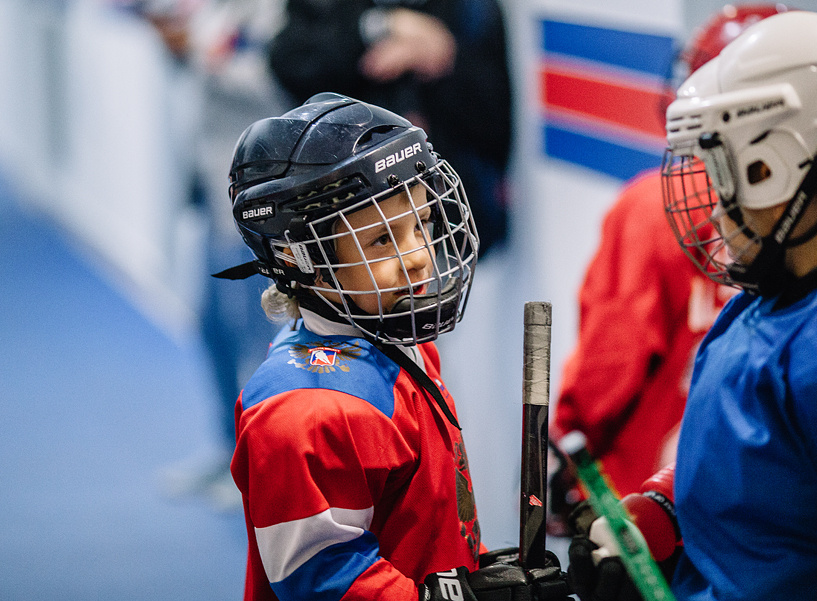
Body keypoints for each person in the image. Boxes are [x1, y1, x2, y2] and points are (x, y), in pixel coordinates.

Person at [569, 10, 817, 600]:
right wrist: (666, 511)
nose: (715, 206)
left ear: (779, 162)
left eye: (723, 170)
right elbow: (766, 474)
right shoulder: (769, 297)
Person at [215, 93, 570, 601]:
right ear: (298, 256)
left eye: (421, 226)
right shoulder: (305, 411)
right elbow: (319, 578)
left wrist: (475, 572)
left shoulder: (392, 340)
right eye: (382, 240)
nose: (419, 257)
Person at [550, 4, 784, 505]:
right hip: (766, 495)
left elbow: (610, 363)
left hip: (651, 501)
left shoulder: (654, 205)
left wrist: (569, 445)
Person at [116, 0, 292, 509]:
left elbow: (281, 83)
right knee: (210, 326)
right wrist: (182, 42)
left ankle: (266, 468)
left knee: (262, 339)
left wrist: (200, 46)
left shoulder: (280, 11)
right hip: (214, 188)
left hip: (260, 198)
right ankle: (228, 449)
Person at [265, 0, 512, 258]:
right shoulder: (333, 11)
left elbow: (497, 121)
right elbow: (290, 62)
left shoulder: (472, 10)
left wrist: (444, 57)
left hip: (447, 221)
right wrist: (377, 26)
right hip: (346, 213)